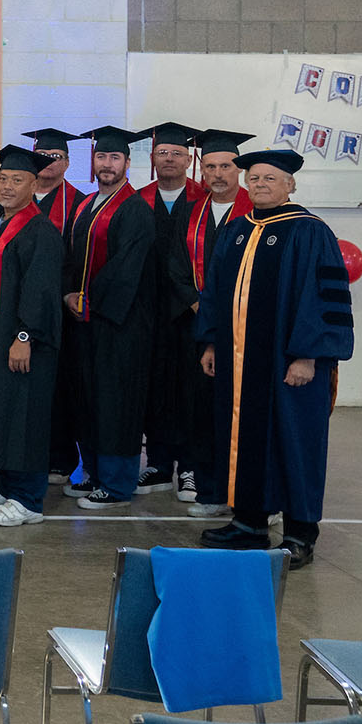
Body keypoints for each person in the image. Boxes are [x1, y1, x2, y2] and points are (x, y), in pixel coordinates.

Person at [195, 148, 353, 569]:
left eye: (269, 178)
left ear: (290, 184)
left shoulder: (309, 231)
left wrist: (307, 356)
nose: (260, 185)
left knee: (295, 441)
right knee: (240, 438)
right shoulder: (238, 231)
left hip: (289, 364)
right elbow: (214, 291)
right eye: (255, 178)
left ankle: (301, 532)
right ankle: (248, 522)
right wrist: (211, 342)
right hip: (239, 363)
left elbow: (324, 299)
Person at [0, 145, 66, 527]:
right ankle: (8, 486)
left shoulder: (39, 230)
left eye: (17, 180)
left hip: (23, 342)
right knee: (3, 411)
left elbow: (40, 290)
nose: (7, 186)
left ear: (34, 183)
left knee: (24, 416)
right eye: (3, 178)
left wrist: (25, 335)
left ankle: (28, 499)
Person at [56, 126, 156, 510]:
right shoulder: (86, 205)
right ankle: (94, 474)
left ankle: (116, 485)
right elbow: (68, 257)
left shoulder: (134, 210)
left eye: (115, 158)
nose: (107, 165)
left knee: (117, 402)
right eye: (101, 157)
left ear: (128, 164)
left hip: (120, 325)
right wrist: (68, 294)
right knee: (89, 399)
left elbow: (126, 269)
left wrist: (91, 300)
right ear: (93, 162)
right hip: (87, 322)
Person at [159, 128, 255, 518]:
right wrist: (196, 304)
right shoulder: (191, 209)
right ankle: (204, 481)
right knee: (196, 404)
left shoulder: (255, 212)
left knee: (240, 410)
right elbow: (174, 263)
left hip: (243, 329)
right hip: (195, 325)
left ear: (239, 170)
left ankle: (247, 489)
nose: (218, 174)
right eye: (211, 166)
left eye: (226, 166)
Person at [138, 121, 207, 497]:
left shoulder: (203, 200)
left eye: (177, 153)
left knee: (191, 391)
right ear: (152, 158)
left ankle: (191, 467)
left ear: (188, 159)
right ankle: (160, 465)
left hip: (192, 313)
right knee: (156, 390)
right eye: (162, 152)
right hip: (150, 313)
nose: (169, 158)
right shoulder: (139, 199)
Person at [25, 128, 83, 230]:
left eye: (56, 156)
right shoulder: (18, 196)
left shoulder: (79, 203)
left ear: (67, 163)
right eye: (42, 154)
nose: (48, 160)